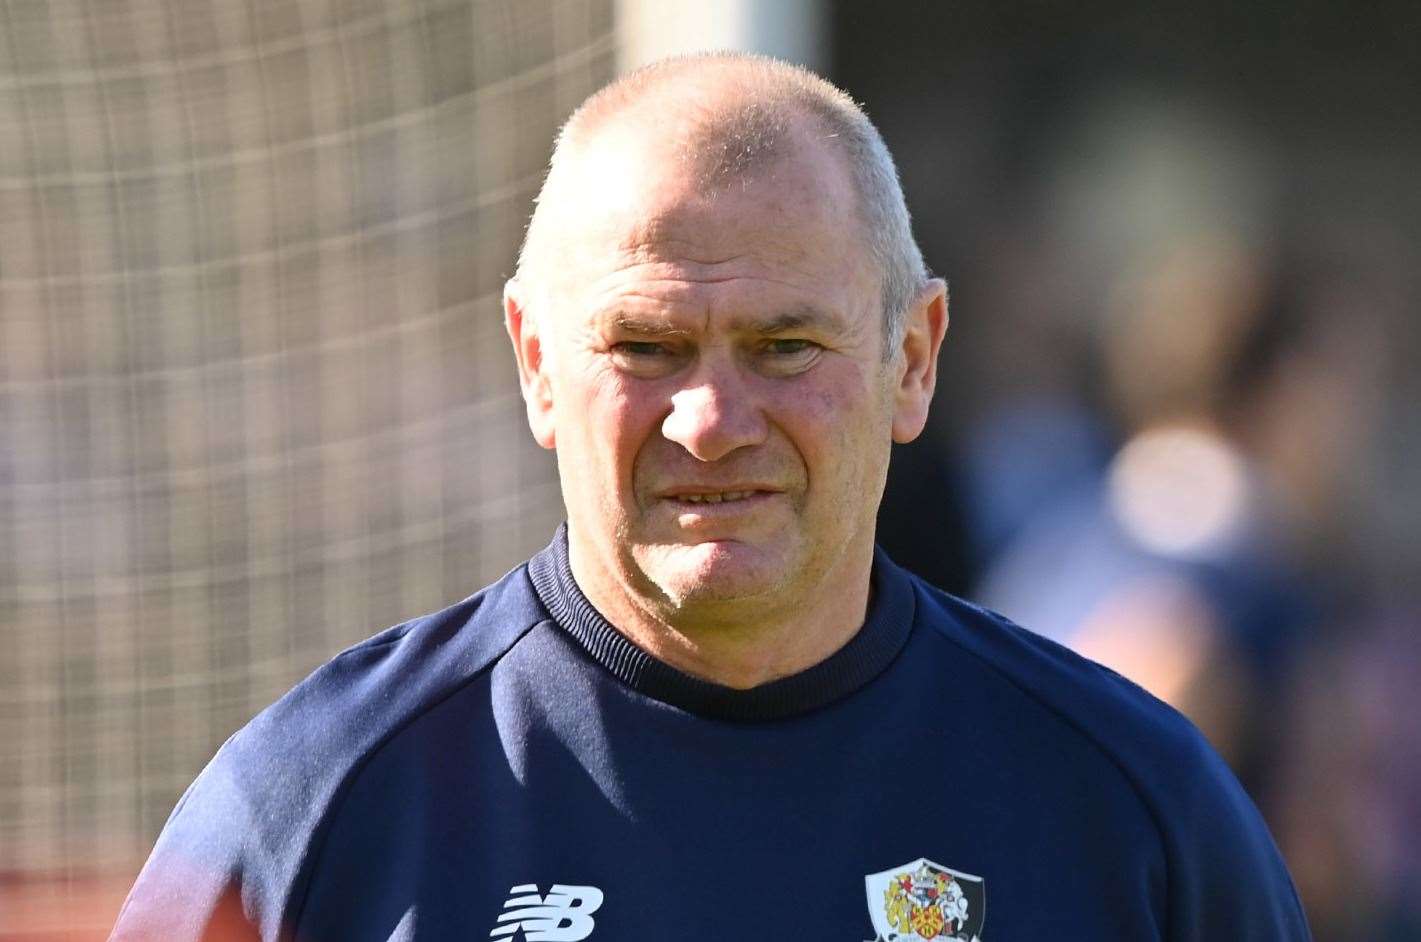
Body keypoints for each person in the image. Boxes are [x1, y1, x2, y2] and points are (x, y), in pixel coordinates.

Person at [110, 54, 1309, 942]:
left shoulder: (1133, 813)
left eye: (785, 346)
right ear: (536, 363)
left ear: (913, 358)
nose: (710, 422)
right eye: (643, 346)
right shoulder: (314, 815)